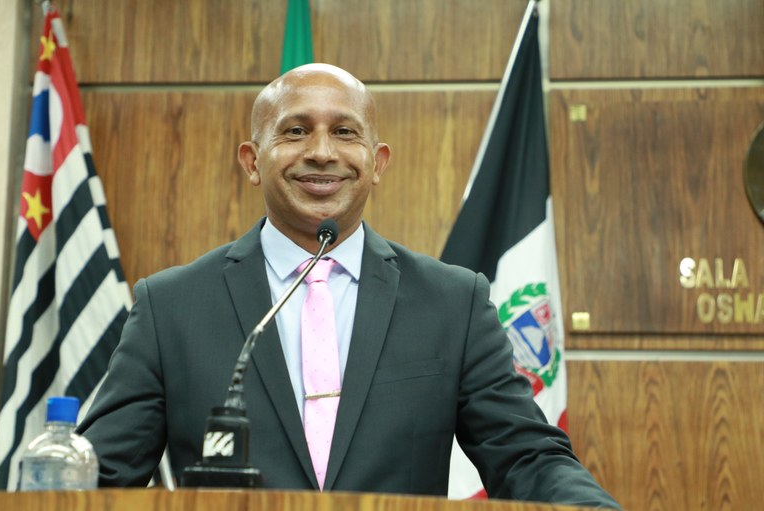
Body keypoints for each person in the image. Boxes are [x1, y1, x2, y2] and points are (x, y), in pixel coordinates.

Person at [78, 63, 620, 509]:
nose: (322, 151)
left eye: (345, 132)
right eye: (295, 131)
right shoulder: (171, 307)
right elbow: (101, 477)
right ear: (251, 161)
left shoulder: (454, 304)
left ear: (376, 163)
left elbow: (525, 456)